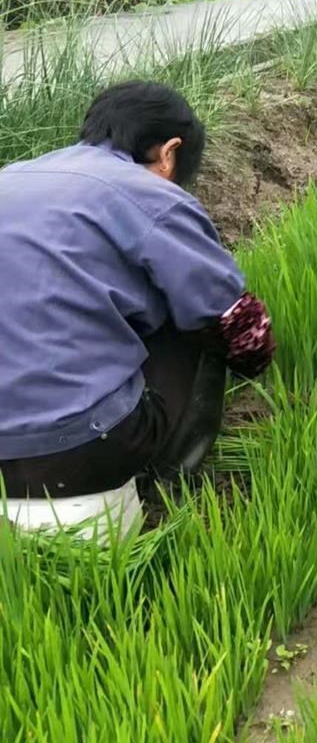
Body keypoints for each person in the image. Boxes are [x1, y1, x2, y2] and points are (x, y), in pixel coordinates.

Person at [0, 81, 276, 534]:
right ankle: (167, 480)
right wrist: (251, 364)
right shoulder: (150, 195)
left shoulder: (12, 176)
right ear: (170, 152)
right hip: (79, 450)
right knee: (198, 318)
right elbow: (242, 329)